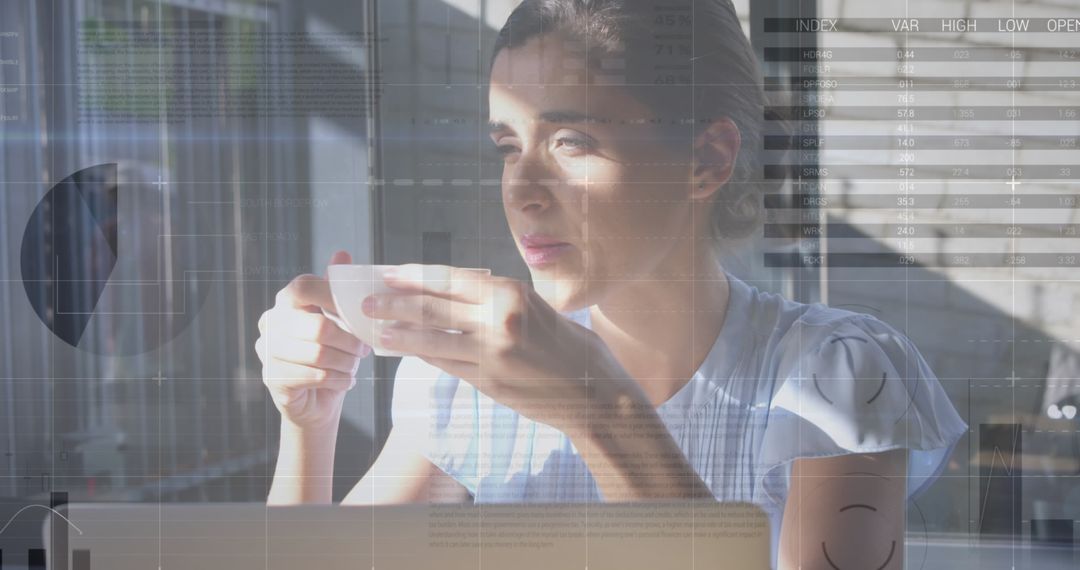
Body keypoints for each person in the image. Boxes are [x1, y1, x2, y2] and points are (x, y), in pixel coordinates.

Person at [255, 1, 967, 568]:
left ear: (706, 158)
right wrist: (309, 423)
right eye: (509, 146)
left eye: (572, 141)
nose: (522, 191)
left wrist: (602, 411)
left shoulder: (833, 378)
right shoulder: (473, 385)